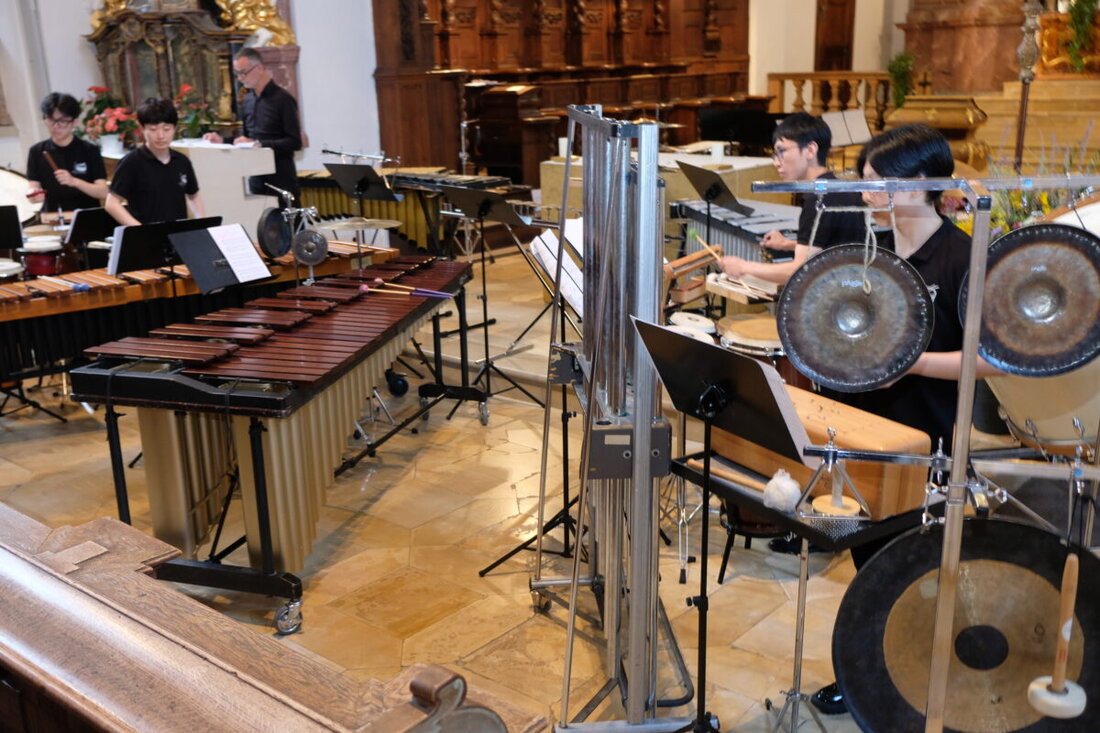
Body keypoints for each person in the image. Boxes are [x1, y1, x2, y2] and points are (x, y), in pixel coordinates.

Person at [810, 123, 1001, 716]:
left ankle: (924, 673)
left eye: (880, 181)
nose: (869, 191)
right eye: (866, 180)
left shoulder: (966, 253)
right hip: (870, 430)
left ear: (923, 183)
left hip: (931, 434)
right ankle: (870, 668)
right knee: (872, 560)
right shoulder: (876, 251)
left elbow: (989, 359)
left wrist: (912, 365)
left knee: (917, 565)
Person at [718, 113, 866, 285]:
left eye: (782, 151)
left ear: (810, 150)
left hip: (830, 301)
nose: (776, 162)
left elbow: (801, 271)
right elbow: (831, 249)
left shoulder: (818, 199)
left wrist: (743, 266)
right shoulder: (837, 188)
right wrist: (787, 244)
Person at [203, 47, 302, 205]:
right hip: (256, 179)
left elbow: (295, 142)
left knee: (287, 228)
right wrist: (222, 140)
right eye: (237, 73)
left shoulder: (282, 99)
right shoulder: (248, 100)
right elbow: (246, 140)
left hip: (281, 180)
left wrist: (260, 144)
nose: (240, 78)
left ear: (260, 68)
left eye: (244, 72)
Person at [105, 98, 205, 226]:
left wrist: (200, 224)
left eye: (166, 129)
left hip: (178, 235)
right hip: (147, 239)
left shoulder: (182, 161)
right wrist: (140, 230)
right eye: (153, 129)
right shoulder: (132, 162)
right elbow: (112, 203)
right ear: (142, 128)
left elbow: (193, 195)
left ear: (175, 128)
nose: (161, 136)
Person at [26, 92, 108, 212]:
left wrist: (75, 181)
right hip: (51, 217)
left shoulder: (89, 150)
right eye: (50, 120)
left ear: (75, 122)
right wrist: (33, 194)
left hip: (85, 217)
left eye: (62, 121)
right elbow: (33, 186)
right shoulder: (36, 151)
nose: (56, 126)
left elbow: (103, 192)